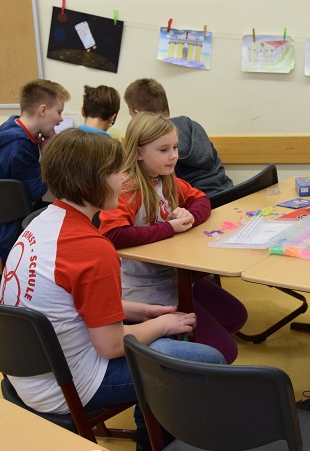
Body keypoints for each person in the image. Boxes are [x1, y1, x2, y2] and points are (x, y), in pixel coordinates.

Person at [0, 128, 225, 451]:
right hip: (66, 385)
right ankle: (153, 442)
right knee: (207, 360)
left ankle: (151, 428)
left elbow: (73, 300)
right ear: (94, 180)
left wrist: (142, 311)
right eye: (117, 172)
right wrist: (163, 324)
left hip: (28, 374)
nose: (124, 179)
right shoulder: (93, 248)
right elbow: (111, 346)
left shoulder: (42, 223)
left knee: (159, 341)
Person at [99, 112, 247, 363]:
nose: (173, 156)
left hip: (172, 275)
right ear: (138, 153)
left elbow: (201, 199)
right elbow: (113, 234)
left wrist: (188, 217)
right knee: (225, 352)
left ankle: (186, 349)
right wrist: (169, 228)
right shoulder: (127, 187)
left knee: (235, 316)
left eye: (175, 147)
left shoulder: (166, 180)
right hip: (141, 288)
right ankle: (171, 351)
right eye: (164, 149)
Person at [0, 79, 71, 260]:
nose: (61, 119)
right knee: (67, 220)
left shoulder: (11, 128)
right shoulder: (19, 145)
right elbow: (36, 192)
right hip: (0, 231)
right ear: (42, 111)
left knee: (62, 214)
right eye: (59, 112)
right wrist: (47, 156)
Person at [123, 78, 234, 197]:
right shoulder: (193, 126)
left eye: (131, 115)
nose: (173, 155)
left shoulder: (153, 144)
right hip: (230, 192)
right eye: (164, 149)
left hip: (197, 200)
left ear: (139, 115)